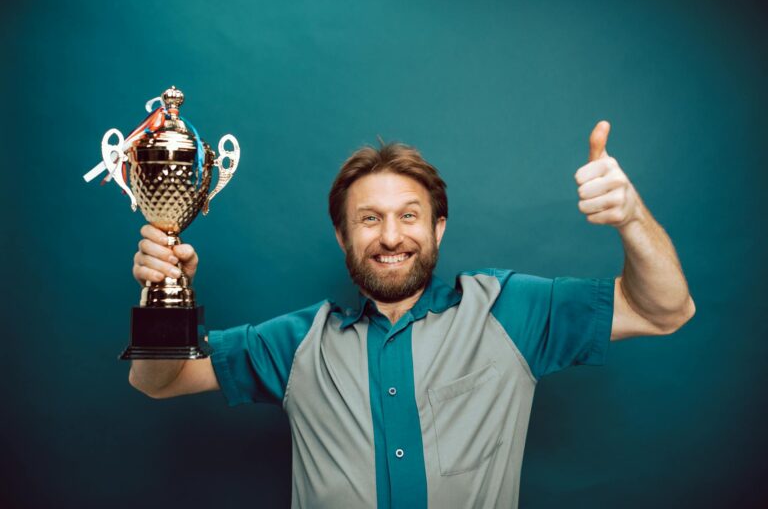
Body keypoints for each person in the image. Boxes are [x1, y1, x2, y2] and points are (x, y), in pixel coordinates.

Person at [129, 121, 695, 508]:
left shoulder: (510, 311)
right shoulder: (298, 342)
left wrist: (631, 219)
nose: (392, 236)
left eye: (409, 215)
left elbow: (665, 311)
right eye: (370, 219)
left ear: (438, 228)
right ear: (342, 235)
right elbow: (160, 380)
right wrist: (164, 290)